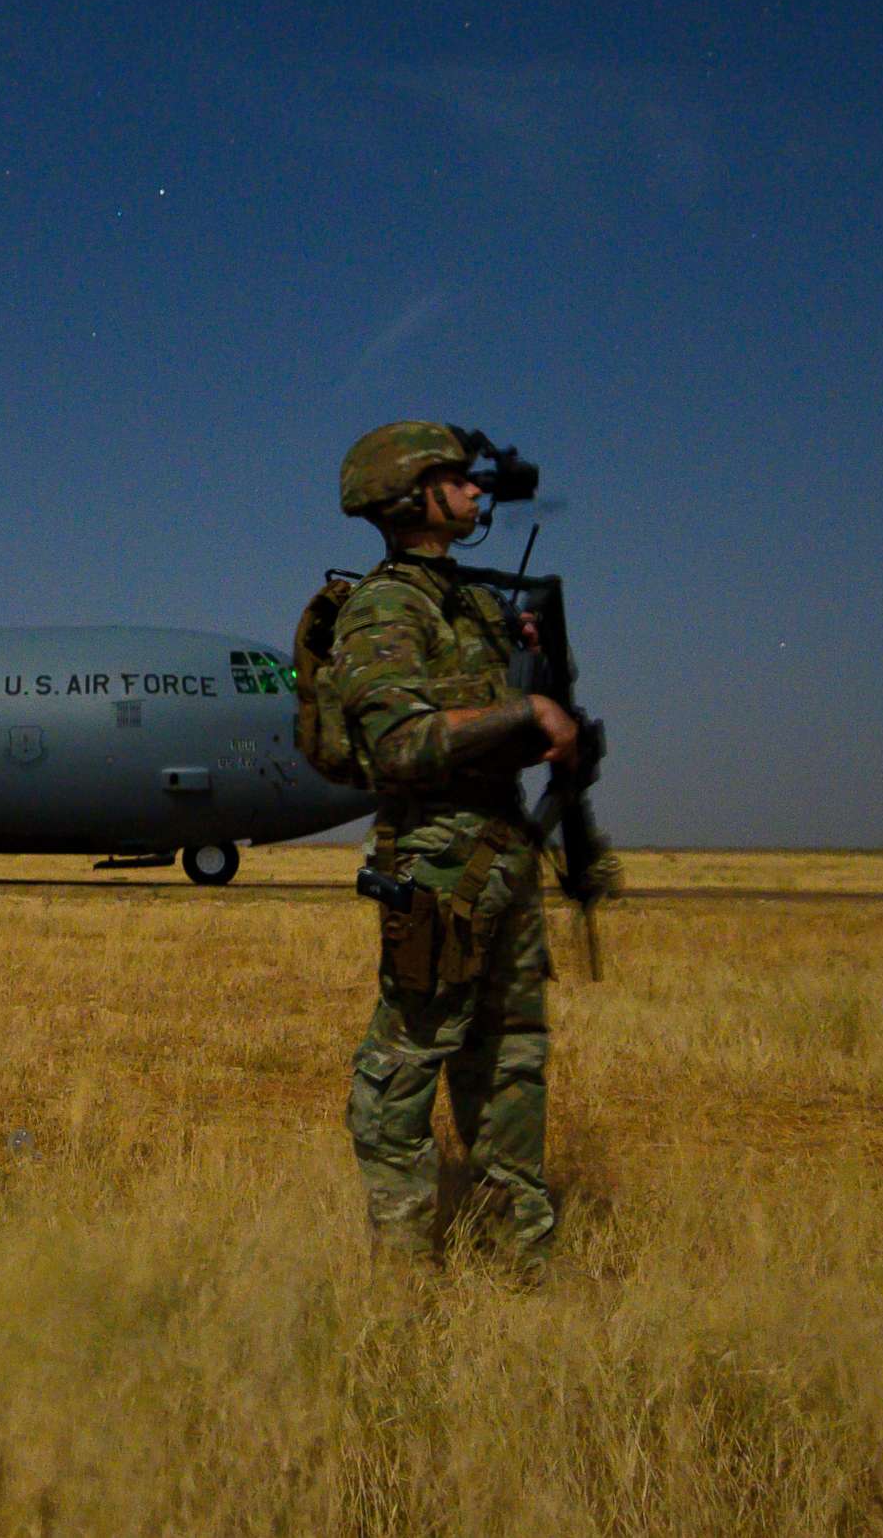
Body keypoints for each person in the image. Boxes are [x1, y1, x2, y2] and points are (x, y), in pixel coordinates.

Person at [330, 421, 578, 1266]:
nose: (477, 493)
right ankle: (399, 1268)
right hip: (436, 863)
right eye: (456, 481)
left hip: (499, 852)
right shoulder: (385, 605)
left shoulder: (466, 601)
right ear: (409, 495)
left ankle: (520, 1255)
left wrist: (524, 672)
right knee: (405, 1063)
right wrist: (522, 713)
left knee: (510, 1057)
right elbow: (398, 743)